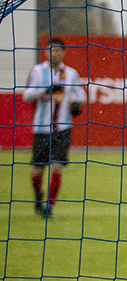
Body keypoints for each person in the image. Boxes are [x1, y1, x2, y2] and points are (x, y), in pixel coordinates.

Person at [23, 37, 85, 219]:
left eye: (58, 50)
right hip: (41, 128)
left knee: (57, 167)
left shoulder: (71, 74)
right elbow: (27, 96)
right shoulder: (37, 71)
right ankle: (38, 196)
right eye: (51, 50)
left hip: (63, 128)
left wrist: (77, 105)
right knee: (37, 170)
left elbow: (80, 94)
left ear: (63, 53)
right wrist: (45, 90)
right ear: (45, 52)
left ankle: (49, 208)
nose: (54, 53)